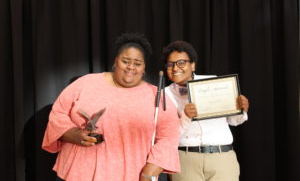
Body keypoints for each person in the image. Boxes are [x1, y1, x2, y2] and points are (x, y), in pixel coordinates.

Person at [42, 33, 180, 181]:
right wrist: (72, 133)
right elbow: (58, 112)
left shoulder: (157, 96)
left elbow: (168, 137)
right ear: (116, 61)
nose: (130, 67)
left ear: (144, 67)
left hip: (132, 175)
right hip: (78, 172)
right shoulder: (85, 83)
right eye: (125, 61)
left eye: (137, 63)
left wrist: (151, 171)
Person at [162, 40, 249, 181]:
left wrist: (241, 109)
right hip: (185, 159)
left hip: (222, 158)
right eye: (170, 64)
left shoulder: (213, 82)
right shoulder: (164, 95)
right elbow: (166, 136)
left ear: (193, 65)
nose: (175, 68)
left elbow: (233, 121)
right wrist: (185, 117)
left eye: (181, 63)